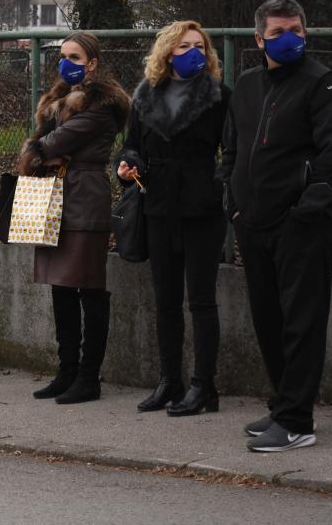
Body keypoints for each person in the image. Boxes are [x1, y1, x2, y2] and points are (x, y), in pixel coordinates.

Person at [222, 0, 332, 452]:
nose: (288, 39)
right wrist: (233, 204)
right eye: (277, 32)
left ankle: (297, 421)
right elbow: (232, 150)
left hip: (302, 226)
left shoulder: (323, 84)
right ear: (259, 39)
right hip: (252, 223)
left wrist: (305, 211)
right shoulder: (246, 85)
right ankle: (283, 405)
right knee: (268, 319)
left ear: (306, 32)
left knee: (302, 322)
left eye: (295, 30)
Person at [115, 21, 231, 416]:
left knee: (201, 300)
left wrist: (218, 186)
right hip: (159, 207)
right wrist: (127, 165)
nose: (194, 52)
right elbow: (131, 146)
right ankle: (169, 381)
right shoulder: (145, 95)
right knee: (165, 300)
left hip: (201, 208)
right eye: (184, 46)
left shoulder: (219, 96)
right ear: (167, 52)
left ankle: (204, 386)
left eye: (200, 46)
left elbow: (231, 152)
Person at [19, 32, 130, 405]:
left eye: (75, 57)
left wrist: (41, 150)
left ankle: (88, 376)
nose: (66, 63)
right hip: (54, 195)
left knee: (89, 287)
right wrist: (43, 150)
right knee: (60, 286)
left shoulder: (102, 104)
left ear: (92, 63)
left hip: (84, 197)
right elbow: (46, 143)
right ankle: (66, 371)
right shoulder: (57, 101)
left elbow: (51, 143)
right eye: (63, 56)